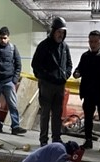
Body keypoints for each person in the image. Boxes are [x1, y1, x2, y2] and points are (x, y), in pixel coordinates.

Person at [31, 16, 72, 147]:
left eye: (63, 32)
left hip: (60, 85)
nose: (61, 35)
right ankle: (43, 140)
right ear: (53, 31)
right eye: (58, 32)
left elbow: (69, 64)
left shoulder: (64, 47)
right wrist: (45, 77)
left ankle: (56, 138)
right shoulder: (44, 46)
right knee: (45, 113)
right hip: (47, 85)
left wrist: (65, 75)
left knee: (57, 113)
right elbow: (35, 64)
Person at [0, 26, 27, 136]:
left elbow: (18, 65)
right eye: (1, 38)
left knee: (13, 105)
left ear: (9, 38)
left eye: (5, 38)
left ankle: (15, 127)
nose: (3, 40)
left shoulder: (13, 48)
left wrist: (14, 80)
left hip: (9, 82)